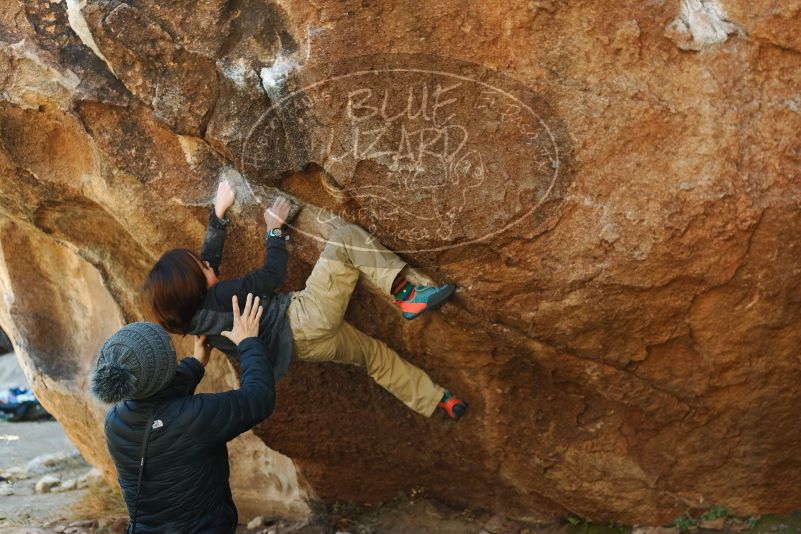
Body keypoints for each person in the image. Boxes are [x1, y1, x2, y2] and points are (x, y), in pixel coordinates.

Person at [142, 180, 467, 419]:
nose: (207, 263)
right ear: (195, 286)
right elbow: (271, 276)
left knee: (373, 356)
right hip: (305, 316)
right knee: (346, 238)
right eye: (201, 267)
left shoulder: (198, 320)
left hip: (301, 348)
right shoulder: (225, 296)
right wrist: (274, 231)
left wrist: (218, 213)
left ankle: (438, 400)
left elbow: (209, 258)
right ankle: (406, 295)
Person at [92, 293, 272, 533]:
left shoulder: (115, 422)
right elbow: (258, 398)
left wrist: (196, 363)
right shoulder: (194, 417)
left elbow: (156, 400)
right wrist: (248, 342)